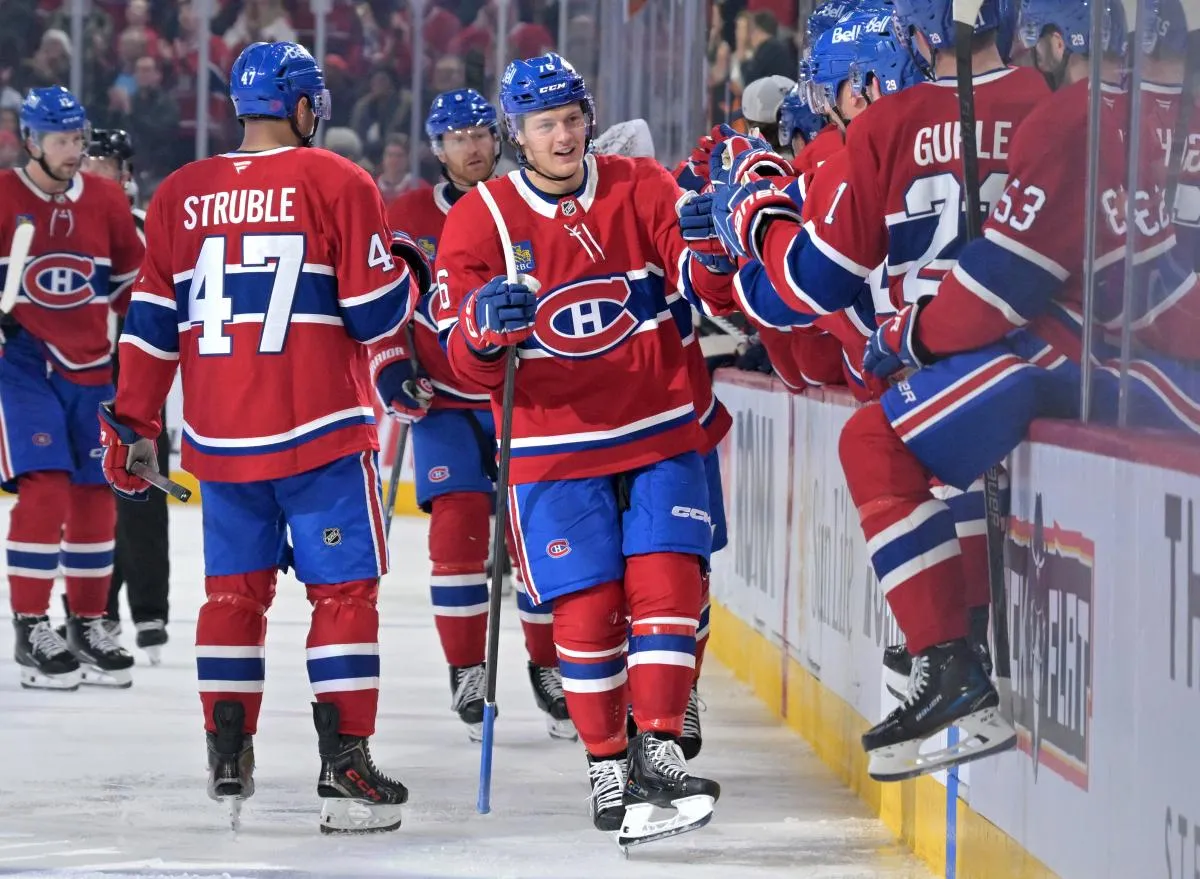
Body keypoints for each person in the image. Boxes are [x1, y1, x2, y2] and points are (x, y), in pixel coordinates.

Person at [701, 0, 1049, 780]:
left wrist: (756, 222)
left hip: (959, 364)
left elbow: (809, 285)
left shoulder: (887, 127)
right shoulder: (1048, 106)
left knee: (874, 440)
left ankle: (949, 660)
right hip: (1040, 360)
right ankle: (955, 654)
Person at [96, 41, 428, 834]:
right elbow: (376, 316)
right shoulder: (339, 180)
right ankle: (345, 765)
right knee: (343, 592)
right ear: (305, 106)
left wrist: (135, 422)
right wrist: (408, 268)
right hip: (319, 433)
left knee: (230, 596)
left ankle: (228, 752)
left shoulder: (180, 193)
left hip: (222, 439)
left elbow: (147, 328)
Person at [433, 53, 729, 842]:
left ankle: (659, 745)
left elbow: (702, 284)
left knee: (668, 581)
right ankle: (606, 760)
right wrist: (481, 329)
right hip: (552, 445)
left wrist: (710, 250)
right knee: (589, 605)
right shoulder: (482, 218)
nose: (562, 136)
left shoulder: (641, 184)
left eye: (571, 118)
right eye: (544, 124)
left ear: (588, 119)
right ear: (516, 136)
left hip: (660, 425)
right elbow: (457, 354)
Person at [373, 87, 574, 742]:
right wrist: (391, 365)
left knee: (537, 535)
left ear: (501, 136)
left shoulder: (530, 203)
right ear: (437, 147)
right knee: (458, 529)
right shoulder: (404, 213)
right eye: (457, 137)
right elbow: (382, 304)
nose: (473, 147)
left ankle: (551, 667)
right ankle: (468, 668)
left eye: (482, 133)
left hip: (522, 391)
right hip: (444, 401)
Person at [0, 87, 143, 691]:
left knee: (94, 495)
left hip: (91, 368)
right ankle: (31, 625)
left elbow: (132, 287)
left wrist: (145, 354)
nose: (73, 151)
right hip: (23, 363)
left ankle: (87, 622)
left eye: (78, 139)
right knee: (46, 490)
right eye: (60, 140)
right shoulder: (4, 195)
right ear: (31, 141)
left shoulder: (106, 199)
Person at [76, 128, 171, 665]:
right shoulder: (63, 227)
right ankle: (97, 611)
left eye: (104, 162)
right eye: (88, 159)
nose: (93, 168)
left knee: (143, 494)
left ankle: (151, 610)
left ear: (126, 174)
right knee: (91, 498)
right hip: (84, 379)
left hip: (138, 377)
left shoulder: (145, 229)